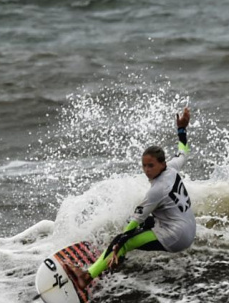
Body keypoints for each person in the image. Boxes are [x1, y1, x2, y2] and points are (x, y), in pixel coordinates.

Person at [67, 107, 195, 291]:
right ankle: (114, 262)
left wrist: (118, 244)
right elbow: (183, 151)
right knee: (144, 225)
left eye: (151, 166)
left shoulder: (156, 190)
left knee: (125, 239)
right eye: (144, 166)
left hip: (176, 236)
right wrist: (182, 129)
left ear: (162, 164)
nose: (147, 170)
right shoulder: (172, 168)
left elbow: (135, 221)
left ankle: (85, 278)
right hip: (188, 228)